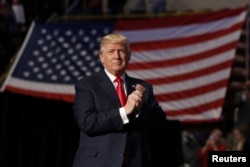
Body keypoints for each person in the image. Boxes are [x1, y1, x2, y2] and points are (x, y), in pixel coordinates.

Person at [72, 33, 166, 167]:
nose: (117, 56)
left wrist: (139, 110)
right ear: (101, 57)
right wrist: (124, 111)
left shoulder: (143, 87)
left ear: (128, 56)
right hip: (98, 162)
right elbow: (87, 122)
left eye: (121, 51)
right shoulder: (87, 85)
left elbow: (160, 122)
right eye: (111, 52)